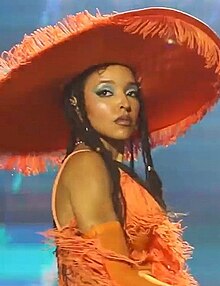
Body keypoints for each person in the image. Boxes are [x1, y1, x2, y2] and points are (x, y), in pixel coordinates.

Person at [0, 6, 219, 286]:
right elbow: (116, 275)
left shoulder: (111, 169)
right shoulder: (86, 165)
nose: (123, 103)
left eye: (131, 93)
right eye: (105, 92)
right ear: (77, 105)